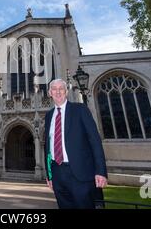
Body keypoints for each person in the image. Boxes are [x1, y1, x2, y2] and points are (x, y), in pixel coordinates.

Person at [44, 79, 108, 209]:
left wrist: (101, 171)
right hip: (57, 173)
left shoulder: (80, 110)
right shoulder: (49, 115)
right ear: (50, 93)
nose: (58, 92)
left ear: (66, 91)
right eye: (54, 89)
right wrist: (49, 175)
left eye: (61, 88)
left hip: (81, 173)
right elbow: (48, 148)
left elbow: (94, 141)